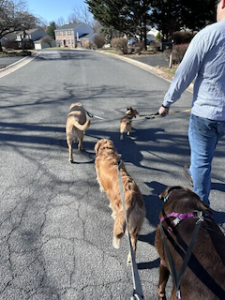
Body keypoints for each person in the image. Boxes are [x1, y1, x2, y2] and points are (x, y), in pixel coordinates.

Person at [158, 0, 225, 206]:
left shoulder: (209, 34)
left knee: (202, 162)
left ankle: (202, 212)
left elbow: (184, 74)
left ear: (223, 4)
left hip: (207, 114)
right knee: (201, 162)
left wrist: (166, 103)